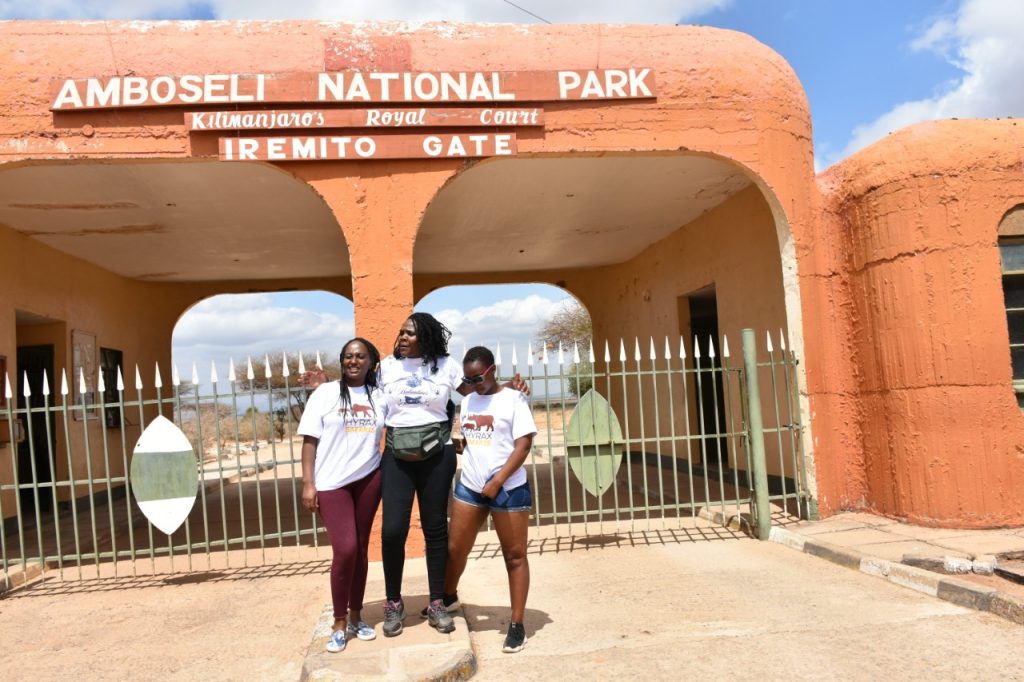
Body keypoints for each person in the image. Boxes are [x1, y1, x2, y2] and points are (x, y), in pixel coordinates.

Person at [443, 346, 537, 654]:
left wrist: (497, 481)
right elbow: (470, 439)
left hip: (507, 488)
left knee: (515, 557)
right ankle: (447, 597)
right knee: (455, 549)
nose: (472, 385)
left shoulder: (514, 400)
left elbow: (523, 445)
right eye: (467, 380)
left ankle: (517, 625)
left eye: (478, 378)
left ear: (492, 370)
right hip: (470, 486)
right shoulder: (468, 400)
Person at [298, 338, 385, 654]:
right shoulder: (325, 394)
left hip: (368, 479)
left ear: (371, 362)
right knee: (345, 549)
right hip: (331, 483)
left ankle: (356, 616)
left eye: (360, 356)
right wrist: (309, 484)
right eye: (348, 356)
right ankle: (338, 622)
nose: (353, 361)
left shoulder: (380, 396)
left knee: (360, 549)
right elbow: (310, 441)